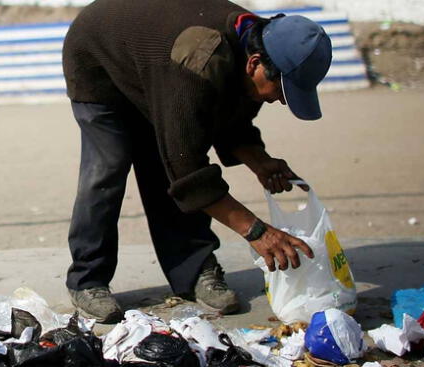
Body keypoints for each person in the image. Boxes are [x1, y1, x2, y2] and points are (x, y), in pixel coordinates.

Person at [62, 0, 332, 323]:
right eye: (281, 90)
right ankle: (87, 280)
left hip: (155, 67)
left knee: (166, 160)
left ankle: (193, 270)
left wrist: (259, 161)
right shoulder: (199, 59)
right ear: (255, 64)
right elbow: (188, 171)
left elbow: (230, 119)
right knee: (108, 169)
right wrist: (258, 232)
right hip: (98, 59)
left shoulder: (265, 40)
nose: (280, 100)